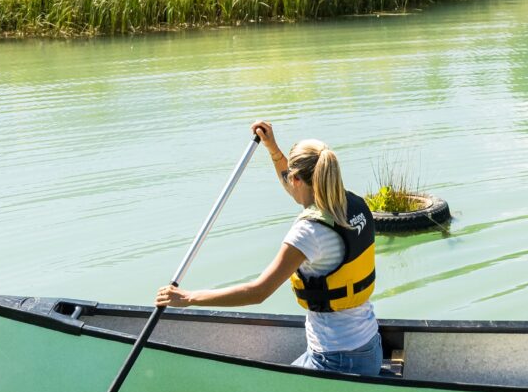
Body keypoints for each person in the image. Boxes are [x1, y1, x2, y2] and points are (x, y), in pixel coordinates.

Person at [154, 120, 383, 376]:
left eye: (290, 178)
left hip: (336, 360)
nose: (287, 182)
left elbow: (258, 292)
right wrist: (273, 149)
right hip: (369, 347)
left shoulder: (309, 233)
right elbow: (295, 188)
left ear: (297, 179)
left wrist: (188, 298)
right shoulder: (349, 205)